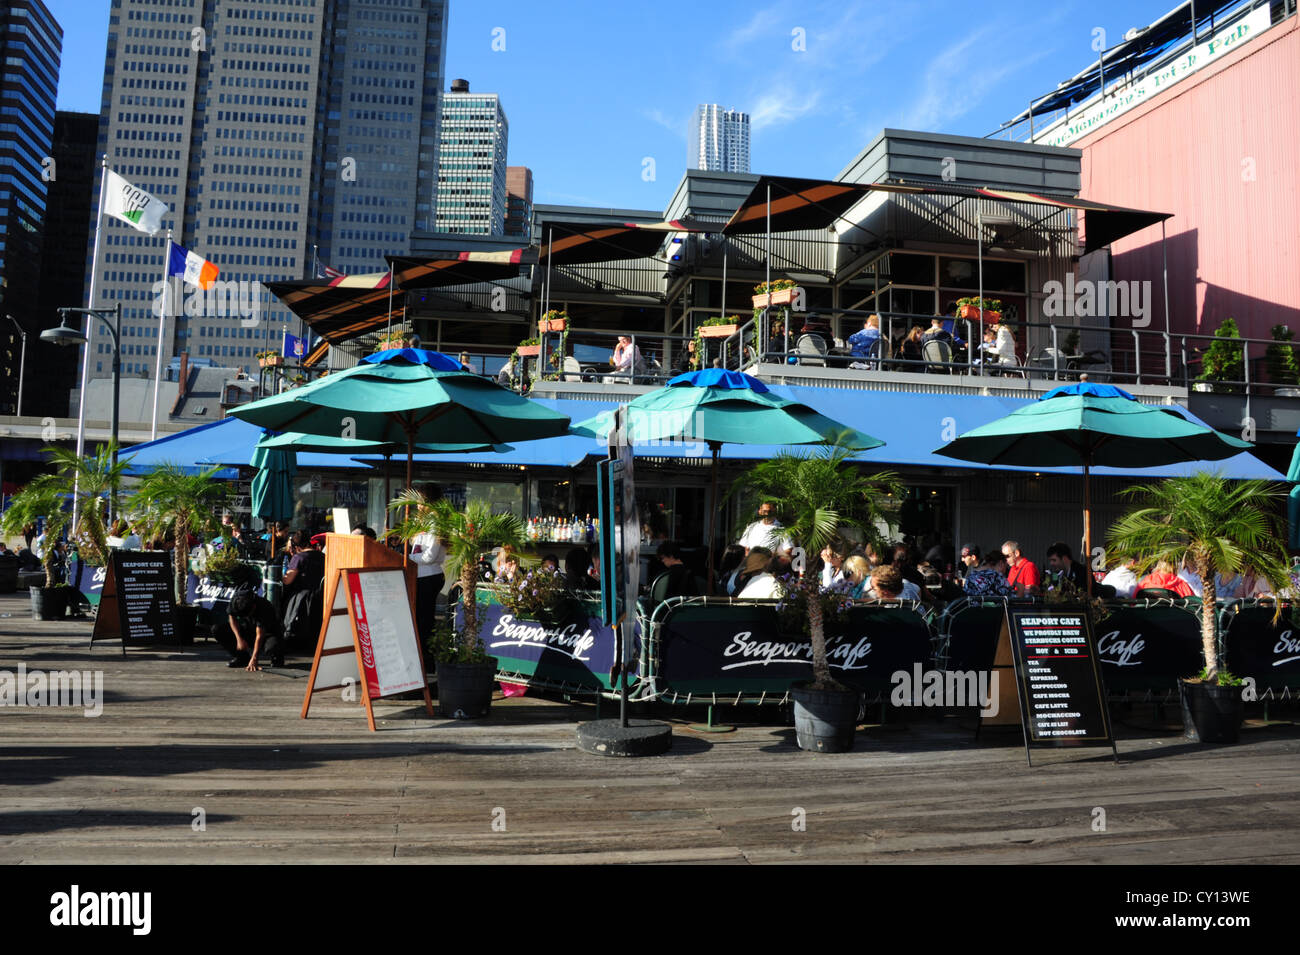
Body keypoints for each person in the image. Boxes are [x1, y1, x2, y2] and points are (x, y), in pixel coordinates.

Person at [223, 588, 285, 670]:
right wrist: (239, 638)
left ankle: (277, 657)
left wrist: (255, 658)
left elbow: (260, 635)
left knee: (273, 646)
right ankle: (242, 658)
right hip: (248, 629)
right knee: (217, 629)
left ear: (254, 606)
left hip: (267, 634)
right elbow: (232, 617)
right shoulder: (236, 600)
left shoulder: (264, 607)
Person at [410, 525, 446, 640]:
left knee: (425, 617)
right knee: (421, 615)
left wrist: (408, 557)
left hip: (429, 576)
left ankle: (426, 649)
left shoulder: (434, 527)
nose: (419, 506)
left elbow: (429, 557)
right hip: (420, 575)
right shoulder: (421, 526)